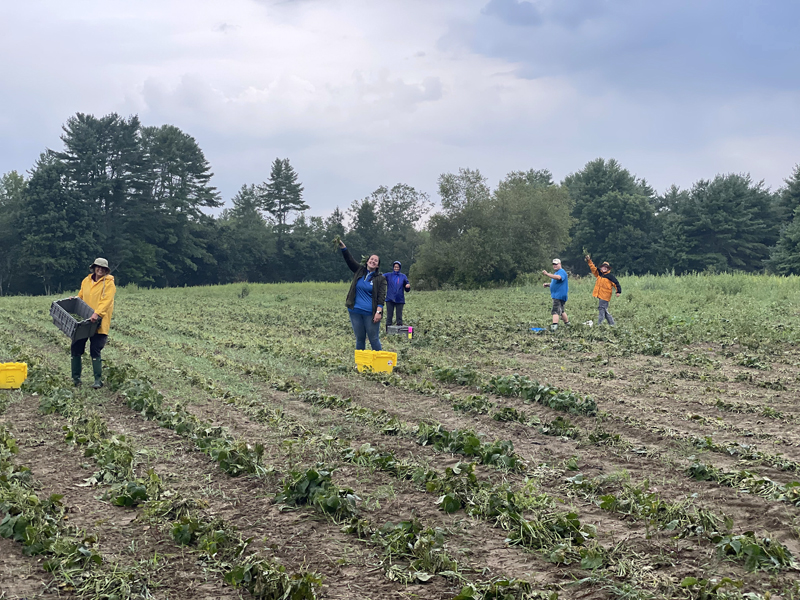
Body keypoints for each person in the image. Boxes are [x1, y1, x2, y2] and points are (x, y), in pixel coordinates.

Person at [72, 258, 116, 388]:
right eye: (98, 267)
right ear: (94, 268)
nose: (100, 270)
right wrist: (73, 300)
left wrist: (97, 314)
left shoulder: (109, 284)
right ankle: (76, 379)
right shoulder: (86, 281)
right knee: (76, 347)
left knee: (95, 349)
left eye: (103, 268)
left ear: (106, 270)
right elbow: (81, 297)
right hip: (84, 321)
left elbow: (106, 301)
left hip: (99, 321)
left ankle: (98, 380)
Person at [338, 239, 387, 351]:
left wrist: (378, 312)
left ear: (378, 265)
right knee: (360, 339)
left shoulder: (380, 279)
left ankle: (379, 364)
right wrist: (343, 247)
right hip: (355, 311)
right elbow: (349, 260)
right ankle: (360, 364)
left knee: (373, 339)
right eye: (371, 259)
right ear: (367, 261)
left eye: (376, 261)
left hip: (370, 313)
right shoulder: (359, 271)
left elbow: (381, 298)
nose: (373, 261)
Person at [585, 255, 621, 325]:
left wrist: (618, 291)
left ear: (608, 269)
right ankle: (612, 324)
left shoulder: (610, 276)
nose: (604, 268)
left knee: (601, 309)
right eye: (603, 267)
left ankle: (599, 324)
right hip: (600, 295)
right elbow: (593, 268)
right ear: (601, 267)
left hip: (605, 296)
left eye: (606, 267)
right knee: (604, 310)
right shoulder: (599, 274)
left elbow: (616, 284)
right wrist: (589, 260)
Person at [542, 258, 569, 332]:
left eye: (556, 264)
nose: (555, 266)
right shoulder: (556, 273)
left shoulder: (561, 272)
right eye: (553, 264)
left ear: (560, 264)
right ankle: (567, 324)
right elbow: (556, 284)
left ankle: (554, 326)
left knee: (555, 311)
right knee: (561, 311)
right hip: (559, 295)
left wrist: (547, 274)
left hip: (558, 295)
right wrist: (548, 285)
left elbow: (559, 278)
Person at [383, 261, 410, 330]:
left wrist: (407, 286)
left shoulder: (403, 276)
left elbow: (407, 287)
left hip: (400, 299)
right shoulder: (388, 275)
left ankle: (399, 332)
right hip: (390, 298)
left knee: (399, 317)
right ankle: (388, 331)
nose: (396, 268)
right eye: (395, 267)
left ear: (400, 268)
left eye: (397, 267)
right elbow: (380, 277)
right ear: (393, 267)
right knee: (389, 316)